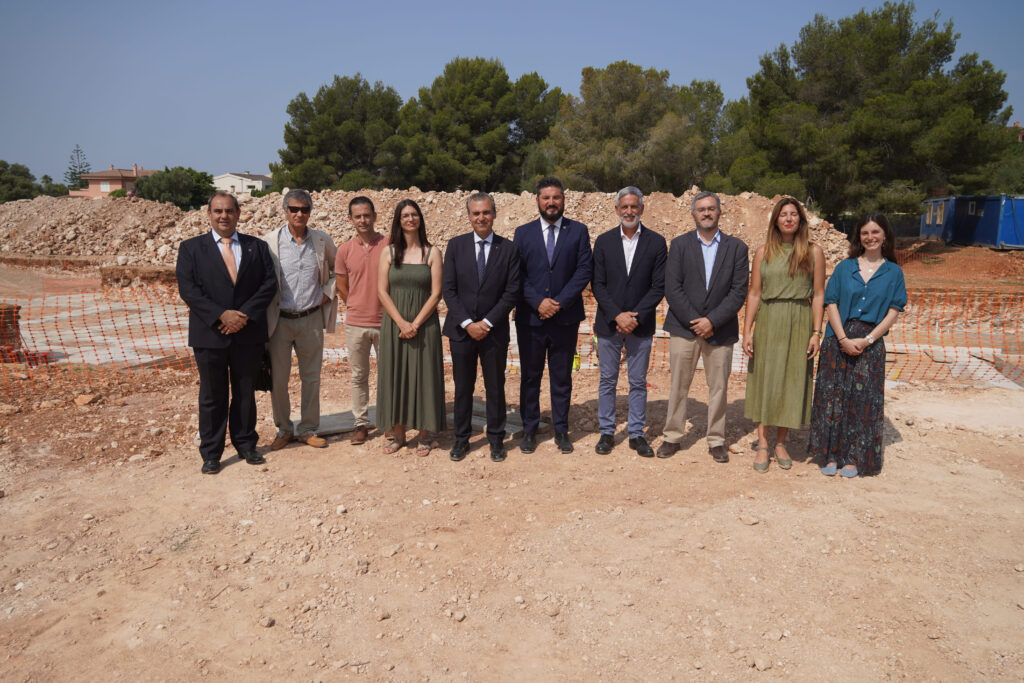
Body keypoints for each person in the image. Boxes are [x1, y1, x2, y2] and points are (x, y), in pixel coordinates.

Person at [176, 192, 277, 474]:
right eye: (218, 211)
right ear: (209, 214)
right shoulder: (191, 249)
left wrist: (242, 316)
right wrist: (221, 315)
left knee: (245, 392)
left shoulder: (256, 247)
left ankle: (246, 444)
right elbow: (189, 289)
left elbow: (268, 284)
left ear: (238, 213)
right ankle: (211, 453)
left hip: (247, 333)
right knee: (212, 395)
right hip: (210, 334)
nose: (224, 216)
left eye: (229, 211)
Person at [808, 213, 907, 477]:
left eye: (875, 232)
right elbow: (831, 303)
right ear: (858, 237)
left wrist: (867, 340)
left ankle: (854, 456)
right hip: (837, 339)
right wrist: (842, 339)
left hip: (870, 344)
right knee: (834, 398)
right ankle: (831, 454)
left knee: (862, 401)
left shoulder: (894, 272)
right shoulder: (844, 267)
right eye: (865, 233)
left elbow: (894, 311)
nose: (870, 237)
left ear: (885, 235)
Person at [658, 191, 749, 462]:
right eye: (701, 209)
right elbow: (672, 288)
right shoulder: (679, 245)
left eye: (711, 208)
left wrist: (712, 321)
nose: (706, 213)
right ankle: (673, 436)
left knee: (719, 388)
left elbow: (738, 291)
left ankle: (716, 439)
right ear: (693, 214)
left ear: (719, 212)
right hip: (684, 328)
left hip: (721, 330)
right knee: (679, 385)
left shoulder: (737, 248)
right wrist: (697, 321)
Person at [742, 197, 825, 472]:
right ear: (776, 221)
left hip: (800, 320)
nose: (788, 219)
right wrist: (747, 330)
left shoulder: (814, 252)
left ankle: (780, 442)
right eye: (783, 215)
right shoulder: (763, 252)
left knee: (792, 379)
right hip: (769, 318)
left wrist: (816, 332)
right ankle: (763, 443)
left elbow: (819, 295)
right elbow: (755, 293)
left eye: (793, 214)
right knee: (765, 379)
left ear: (800, 220)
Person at [513, 177, 593, 454]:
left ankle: (561, 430)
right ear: (537, 200)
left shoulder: (578, 231)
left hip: (564, 318)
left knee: (561, 378)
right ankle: (529, 429)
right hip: (531, 319)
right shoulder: (523, 233)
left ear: (563, 200)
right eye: (546, 198)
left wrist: (558, 303)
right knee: (530, 377)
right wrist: (538, 302)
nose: (551, 202)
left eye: (556, 197)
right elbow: (517, 274)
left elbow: (584, 270)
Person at [443, 192, 520, 463]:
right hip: (461, 331)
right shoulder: (456, 246)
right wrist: (467, 323)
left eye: (486, 212)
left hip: (493, 331)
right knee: (463, 387)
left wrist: (486, 323)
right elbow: (449, 290)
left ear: (494, 214)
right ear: (469, 216)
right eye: (476, 213)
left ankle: (496, 439)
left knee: (495, 386)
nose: (481, 218)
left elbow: (511, 292)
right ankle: (461, 439)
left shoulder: (508, 249)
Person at [591, 186, 667, 457]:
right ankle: (606, 432)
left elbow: (659, 286)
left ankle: (636, 433)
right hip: (609, 323)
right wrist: (617, 315)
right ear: (616, 209)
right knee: (607, 380)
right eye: (624, 207)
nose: (629, 211)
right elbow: (598, 284)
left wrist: (635, 315)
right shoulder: (603, 242)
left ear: (642, 209)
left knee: (637, 381)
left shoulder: (656, 242)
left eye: (634, 206)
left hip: (640, 325)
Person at [264, 189, 337, 452]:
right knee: (278, 380)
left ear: (310, 212)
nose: (299, 214)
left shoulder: (321, 240)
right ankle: (284, 429)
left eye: (304, 209)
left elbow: (338, 270)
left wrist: (326, 294)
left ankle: (308, 429)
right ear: (285, 211)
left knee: (311, 377)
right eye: (294, 209)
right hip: (279, 321)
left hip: (310, 319)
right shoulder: (270, 242)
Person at [376, 199, 446, 455]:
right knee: (395, 375)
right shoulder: (388, 252)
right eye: (405, 215)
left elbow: (436, 293)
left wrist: (414, 324)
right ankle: (398, 434)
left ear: (420, 219)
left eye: (414, 214)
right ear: (398, 220)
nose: (410, 219)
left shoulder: (432, 252)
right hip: (394, 325)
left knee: (425, 376)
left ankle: (426, 435)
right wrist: (401, 323)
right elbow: (382, 291)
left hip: (424, 325)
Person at [335, 196, 390, 445]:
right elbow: (342, 286)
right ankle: (361, 423)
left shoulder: (389, 245)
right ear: (350, 219)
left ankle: (388, 420)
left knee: (387, 374)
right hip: (356, 324)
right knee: (359, 375)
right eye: (357, 216)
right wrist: (356, 305)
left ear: (375, 216)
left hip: (385, 322)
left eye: (367, 215)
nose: (363, 220)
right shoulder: (344, 250)